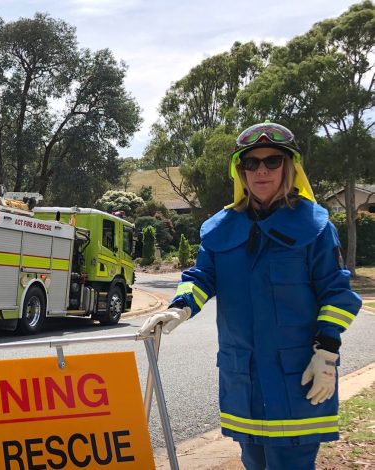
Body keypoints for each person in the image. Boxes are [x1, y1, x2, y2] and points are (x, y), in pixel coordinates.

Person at [138, 122, 361, 470]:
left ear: (289, 167)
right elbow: (202, 276)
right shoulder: (221, 227)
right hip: (243, 377)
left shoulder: (315, 226)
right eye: (251, 163)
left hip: (299, 377)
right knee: (253, 461)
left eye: (273, 161)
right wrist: (179, 308)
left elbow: (337, 293)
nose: (261, 170)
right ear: (239, 171)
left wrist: (327, 353)